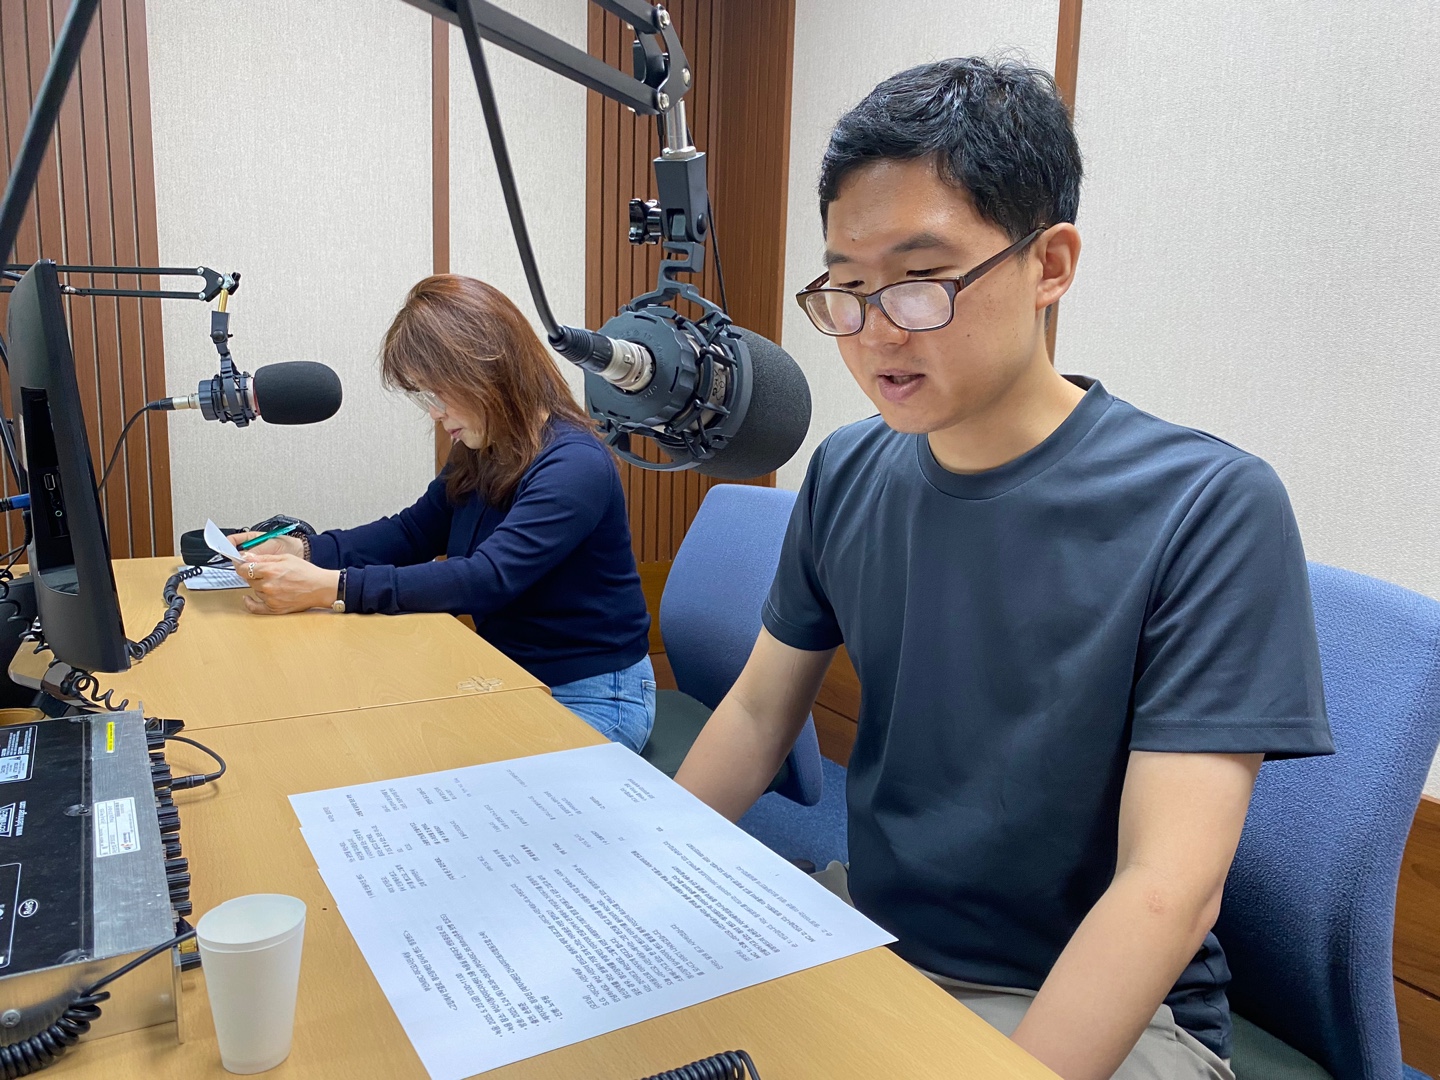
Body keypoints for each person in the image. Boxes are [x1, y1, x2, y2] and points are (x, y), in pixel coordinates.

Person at [673, 58, 1332, 1080]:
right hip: (873, 936)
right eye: (847, 288)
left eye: (920, 282)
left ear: (1050, 264)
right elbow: (760, 715)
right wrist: (639, 870)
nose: (875, 332)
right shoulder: (849, 468)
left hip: (1097, 1007)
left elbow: (1167, 889)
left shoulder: (1207, 506)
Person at [233, 275, 656, 753]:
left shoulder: (575, 464)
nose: (434, 413)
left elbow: (486, 578)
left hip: (595, 695)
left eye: (438, 393)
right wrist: (304, 550)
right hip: (508, 674)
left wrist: (332, 587)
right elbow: (414, 532)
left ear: (486, 371)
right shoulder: (481, 449)